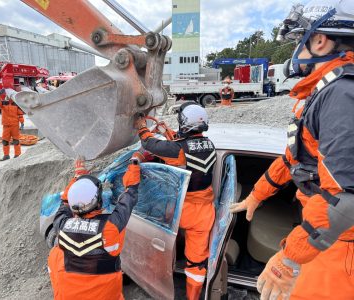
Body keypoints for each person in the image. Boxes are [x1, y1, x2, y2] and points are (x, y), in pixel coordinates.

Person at [230, 1, 354, 299]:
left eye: (301, 40)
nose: (297, 51)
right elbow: (295, 157)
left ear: (320, 41)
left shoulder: (341, 95)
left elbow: (345, 200)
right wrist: (256, 196)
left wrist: (289, 259)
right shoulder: (331, 90)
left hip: (337, 250)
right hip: (328, 237)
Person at [135, 102, 216, 300]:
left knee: (155, 239)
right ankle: (193, 296)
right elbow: (185, 145)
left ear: (184, 124)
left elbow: (151, 144)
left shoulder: (177, 150)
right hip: (205, 212)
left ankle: (155, 276)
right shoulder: (210, 144)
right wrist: (167, 130)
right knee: (196, 262)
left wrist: (141, 126)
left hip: (181, 210)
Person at [48, 154, 141, 300]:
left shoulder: (61, 223)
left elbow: (65, 201)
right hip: (105, 295)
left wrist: (79, 177)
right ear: (98, 202)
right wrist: (134, 167)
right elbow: (130, 194)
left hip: (68, 295)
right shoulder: (109, 228)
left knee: (55, 254)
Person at [0, 88, 24, 161]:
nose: (8, 97)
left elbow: (20, 114)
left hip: (15, 125)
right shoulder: (3, 103)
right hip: (6, 126)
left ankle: (17, 155)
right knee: (5, 141)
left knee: (16, 141)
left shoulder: (16, 104)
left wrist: (22, 123)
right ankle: (6, 155)